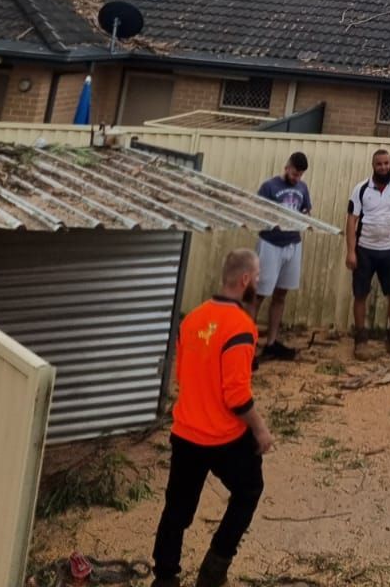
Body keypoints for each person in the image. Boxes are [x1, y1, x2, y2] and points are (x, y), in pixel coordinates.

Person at [152, 248, 274, 587]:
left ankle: (164, 577)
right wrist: (261, 431)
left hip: (186, 432)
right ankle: (214, 568)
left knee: (176, 511)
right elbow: (236, 396)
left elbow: (182, 375)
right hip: (224, 438)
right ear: (246, 280)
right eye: (259, 277)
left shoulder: (191, 320)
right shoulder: (241, 327)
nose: (259, 282)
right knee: (249, 490)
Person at [347, 147, 390, 360]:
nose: (383, 167)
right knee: (360, 295)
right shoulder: (361, 189)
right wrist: (351, 252)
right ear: (373, 166)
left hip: (389, 252)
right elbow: (351, 221)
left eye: (386, 163)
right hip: (364, 251)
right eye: (379, 164)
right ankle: (361, 342)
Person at [253, 150, 312, 362]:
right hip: (270, 242)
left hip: (293, 243)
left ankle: (271, 342)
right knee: (259, 294)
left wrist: (303, 216)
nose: (296, 178)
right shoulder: (270, 186)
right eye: (294, 173)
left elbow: (306, 210)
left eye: (300, 175)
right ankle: (246, 345)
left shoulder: (302, 188)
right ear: (287, 167)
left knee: (281, 294)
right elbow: (257, 211)